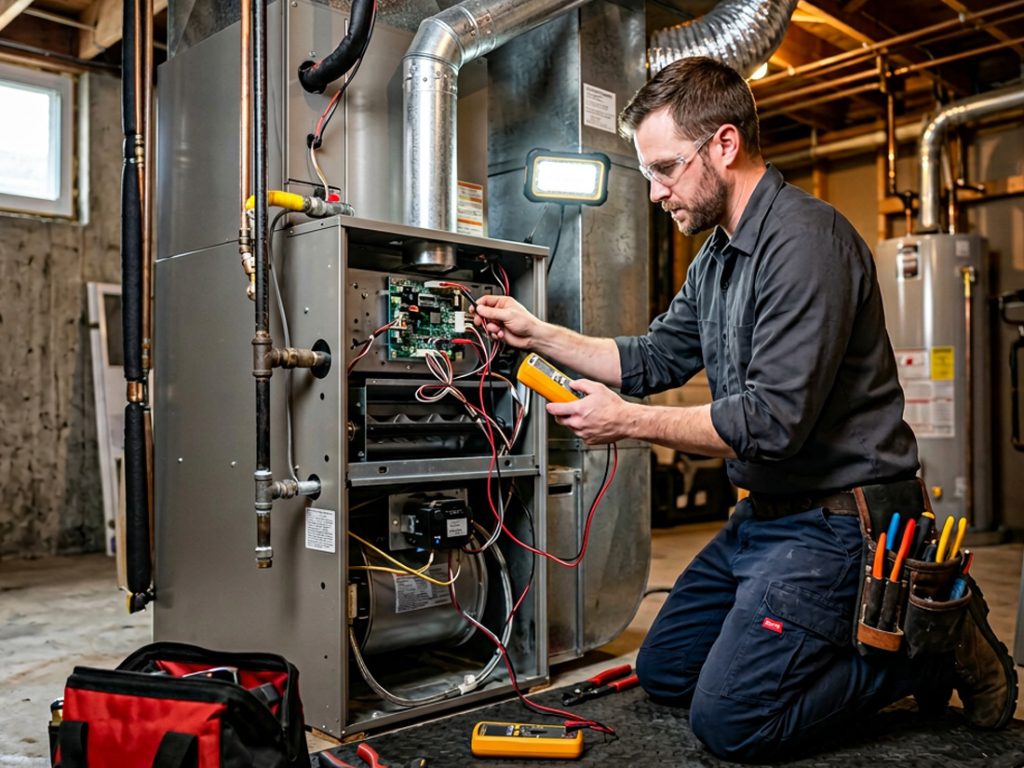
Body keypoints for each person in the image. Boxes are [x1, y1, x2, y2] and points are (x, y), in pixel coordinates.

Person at [473, 56, 1018, 761]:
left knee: (732, 723)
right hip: (763, 520)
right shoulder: (718, 259)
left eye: (666, 168)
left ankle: (924, 648)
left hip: (841, 524)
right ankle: (835, 636)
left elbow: (771, 424)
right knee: (666, 672)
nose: (656, 193)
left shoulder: (805, 243)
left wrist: (628, 422)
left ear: (723, 145)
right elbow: (653, 358)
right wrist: (539, 333)